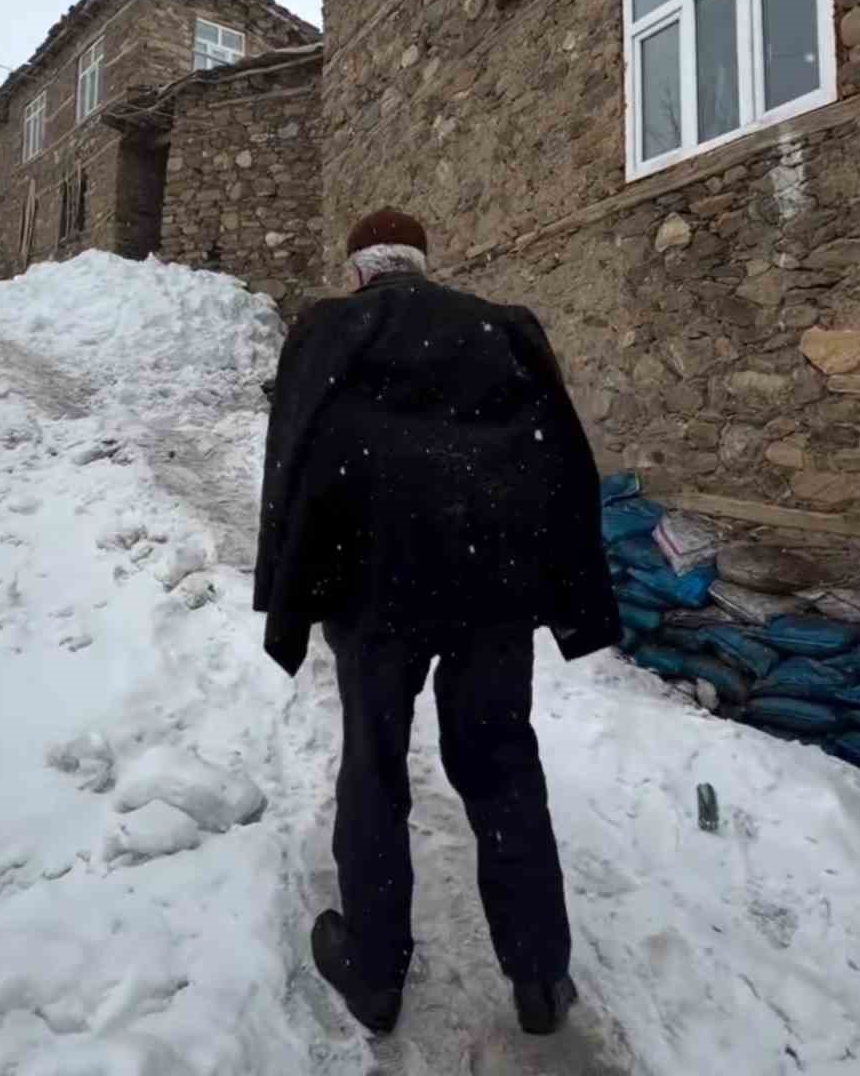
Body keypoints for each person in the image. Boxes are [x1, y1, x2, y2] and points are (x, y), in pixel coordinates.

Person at [254, 208, 620, 1038]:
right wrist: (564, 581)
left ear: (359, 269)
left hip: (373, 590)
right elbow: (558, 455)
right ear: (421, 262)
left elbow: (293, 456)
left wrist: (290, 583)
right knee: (501, 767)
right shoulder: (501, 328)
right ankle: (538, 976)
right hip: (492, 590)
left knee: (373, 767)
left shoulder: (331, 330)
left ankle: (374, 971)